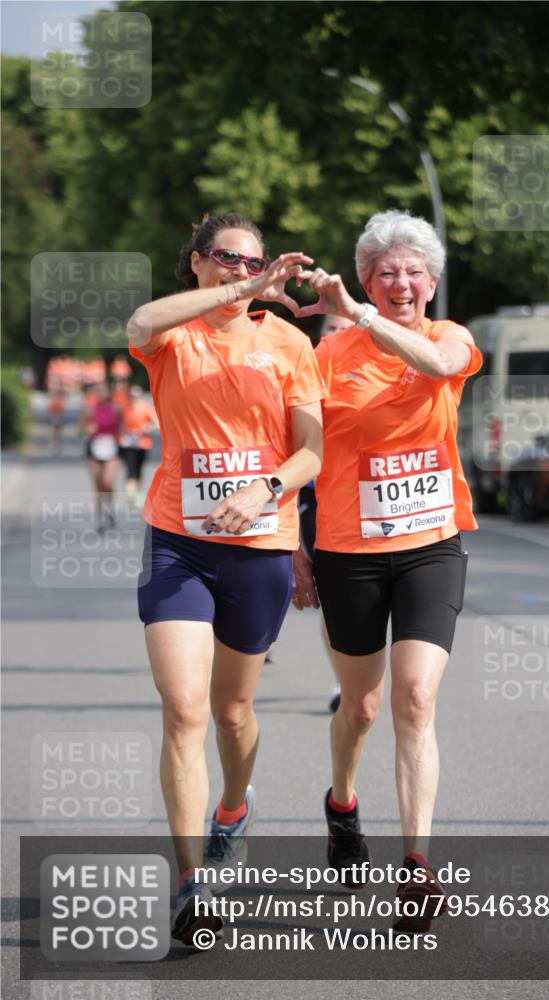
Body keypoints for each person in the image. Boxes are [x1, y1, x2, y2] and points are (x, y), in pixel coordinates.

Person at [126, 212, 325, 947]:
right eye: (226, 258)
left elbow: (311, 452)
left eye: (252, 262)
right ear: (197, 262)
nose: (241, 270)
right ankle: (191, 885)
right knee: (184, 710)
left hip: (259, 543)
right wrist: (237, 292)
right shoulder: (173, 334)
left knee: (232, 712)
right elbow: (140, 320)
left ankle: (233, 808)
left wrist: (265, 488)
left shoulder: (288, 342)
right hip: (178, 541)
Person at [292, 210, 482, 934]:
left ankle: (416, 864)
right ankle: (342, 804)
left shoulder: (449, 338)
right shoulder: (326, 356)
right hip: (348, 549)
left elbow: (436, 367)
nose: (401, 283)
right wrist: (292, 544)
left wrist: (360, 314)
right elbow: (299, 453)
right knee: (362, 706)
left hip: (432, 543)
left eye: (413, 273)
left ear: (430, 284)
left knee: (415, 698)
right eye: (385, 273)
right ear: (367, 280)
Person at [298, 314, 351, 712]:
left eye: (345, 329)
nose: (336, 335)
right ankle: (341, 680)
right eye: (331, 328)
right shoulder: (304, 371)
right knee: (334, 598)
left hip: (363, 499)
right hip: (317, 498)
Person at [78, 380, 121, 531]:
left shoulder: (116, 408)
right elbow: (80, 429)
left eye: (104, 390)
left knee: (108, 482)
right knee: (98, 486)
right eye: (99, 391)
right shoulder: (90, 409)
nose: (102, 394)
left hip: (111, 449)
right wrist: (87, 429)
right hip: (94, 450)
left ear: (109, 392)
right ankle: (99, 519)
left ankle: (109, 506)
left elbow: (122, 427)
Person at [118, 384, 158, 505]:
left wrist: (145, 429)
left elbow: (156, 424)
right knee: (130, 469)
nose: (134, 398)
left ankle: (135, 493)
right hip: (127, 444)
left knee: (139, 470)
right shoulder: (124, 408)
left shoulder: (145, 407)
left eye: (136, 395)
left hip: (142, 444)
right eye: (131, 395)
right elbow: (118, 424)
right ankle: (131, 495)